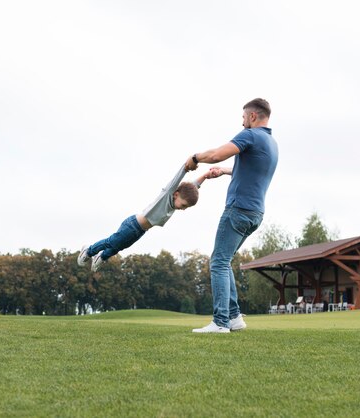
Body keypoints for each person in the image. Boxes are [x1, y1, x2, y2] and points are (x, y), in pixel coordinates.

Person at [186, 98, 279, 333]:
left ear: (253, 116)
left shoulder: (250, 135)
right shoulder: (271, 142)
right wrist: (226, 172)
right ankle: (235, 317)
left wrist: (195, 158)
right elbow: (251, 171)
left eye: (244, 117)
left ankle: (220, 322)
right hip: (255, 213)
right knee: (224, 260)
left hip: (238, 210)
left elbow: (217, 154)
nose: (242, 121)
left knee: (217, 262)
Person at [77, 163, 215, 272]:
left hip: (141, 230)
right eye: (184, 205)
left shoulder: (177, 201)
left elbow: (193, 186)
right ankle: (88, 251)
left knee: (119, 247)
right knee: (111, 242)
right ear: (176, 193)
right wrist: (186, 167)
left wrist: (205, 176)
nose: (183, 209)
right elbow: (176, 179)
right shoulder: (167, 195)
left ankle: (101, 257)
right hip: (132, 225)